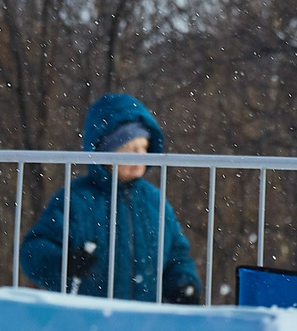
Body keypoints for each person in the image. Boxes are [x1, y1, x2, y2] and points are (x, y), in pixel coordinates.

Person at [17, 91, 202, 304]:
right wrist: (63, 264)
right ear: (106, 151)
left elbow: (176, 256)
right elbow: (33, 251)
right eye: (131, 149)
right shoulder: (77, 200)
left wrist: (184, 285)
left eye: (144, 148)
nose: (141, 156)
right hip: (88, 320)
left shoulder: (154, 202)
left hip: (145, 323)